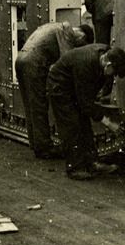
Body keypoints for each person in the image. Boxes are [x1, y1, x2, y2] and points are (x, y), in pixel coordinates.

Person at [47, 44, 125, 180]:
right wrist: (108, 123)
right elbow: (85, 103)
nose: (113, 77)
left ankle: (93, 163)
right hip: (60, 87)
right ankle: (74, 168)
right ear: (108, 65)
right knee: (72, 125)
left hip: (73, 85)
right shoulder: (85, 65)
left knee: (84, 124)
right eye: (114, 73)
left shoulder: (103, 56)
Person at [16, 21, 94, 159]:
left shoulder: (53, 26)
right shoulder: (67, 31)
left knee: (31, 105)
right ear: (82, 37)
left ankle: (36, 143)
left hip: (21, 59)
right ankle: (44, 148)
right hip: (34, 62)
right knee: (39, 105)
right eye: (81, 45)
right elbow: (68, 61)